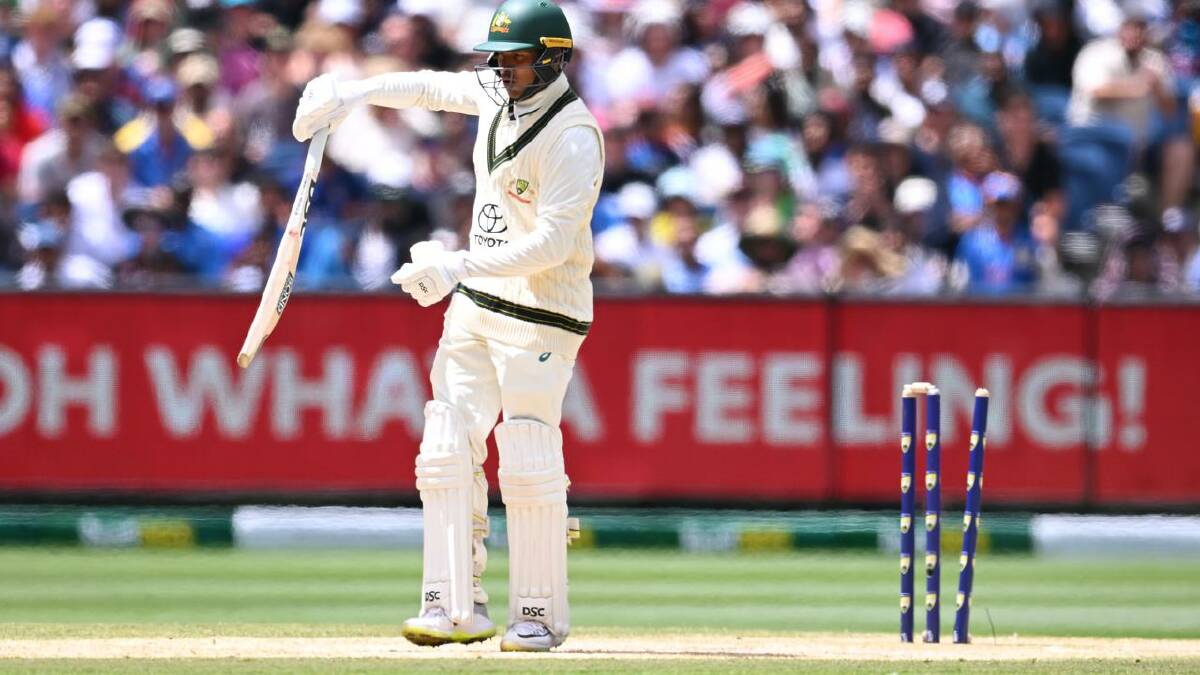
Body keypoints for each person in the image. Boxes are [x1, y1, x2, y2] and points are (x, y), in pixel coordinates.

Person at [291, 0, 602, 653]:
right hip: (478, 301)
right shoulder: (497, 94)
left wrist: (457, 264)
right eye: (499, 59)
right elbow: (431, 88)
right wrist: (353, 91)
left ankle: (539, 613)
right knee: (446, 445)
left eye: (518, 59)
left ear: (553, 59)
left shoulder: (574, 136)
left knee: (528, 452)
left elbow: (551, 244)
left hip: (542, 312)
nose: (504, 70)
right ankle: (453, 603)